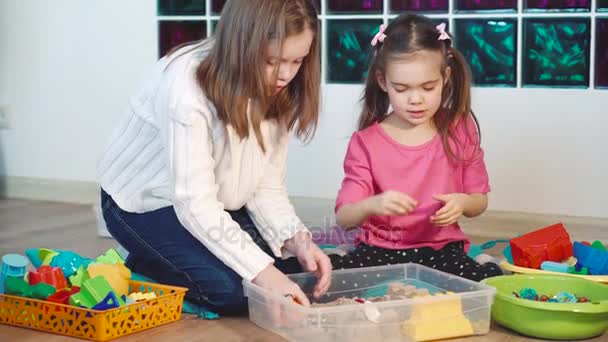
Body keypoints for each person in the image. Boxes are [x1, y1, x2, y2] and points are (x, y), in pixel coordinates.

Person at [98, 0, 331, 314]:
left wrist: (297, 240)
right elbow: (195, 204)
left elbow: (265, 186)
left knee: (287, 274)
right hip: (142, 203)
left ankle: (169, 255)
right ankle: (147, 259)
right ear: (240, 47)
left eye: (297, 60)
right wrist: (263, 273)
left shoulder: (282, 89)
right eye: (271, 61)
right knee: (235, 292)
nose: (285, 75)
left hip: (212, 202)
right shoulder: (185, 86)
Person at [331, 14, 503, 282]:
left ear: (445, 77)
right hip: (381, 249)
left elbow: (479, 201)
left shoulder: (459, 128)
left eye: (428, 87)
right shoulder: (366, 142)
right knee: (328, 279)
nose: (415, 99)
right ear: (382, 81)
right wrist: (372, 204)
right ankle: (344, 254)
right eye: (401, 89)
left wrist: (462, 202)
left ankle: (481, 262)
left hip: (440, 249)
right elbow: (344, 217)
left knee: (486, 282)